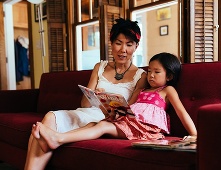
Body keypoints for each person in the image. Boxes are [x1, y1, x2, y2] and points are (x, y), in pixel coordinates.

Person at [25, 18, 149, 170]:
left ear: (136, 46)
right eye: (118, 43)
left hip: (106, 121)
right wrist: (96, 96)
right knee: (49, 118)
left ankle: (52, 140)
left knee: (38, 134)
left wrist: (109, 105)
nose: (123, 49)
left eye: (129, 44)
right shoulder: (100, 67)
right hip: (85, 113)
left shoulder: (141, 76)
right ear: (111, 43)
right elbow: (84, 104)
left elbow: (129, 113)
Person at [32, 53, 197, 163]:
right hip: (130, 121)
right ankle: (57, 137)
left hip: (146, 128)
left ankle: (58, 139)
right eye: (149, 70)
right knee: (95, 123)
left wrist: (194, 134)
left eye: (157, 72)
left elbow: (181, 112)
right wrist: (112, 109)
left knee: (102, 126)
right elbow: (129, 108)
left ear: (169, 76)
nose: (151, 75)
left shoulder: (167, 90)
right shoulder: (141, 90)